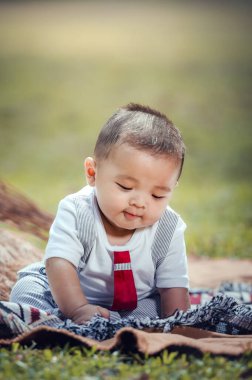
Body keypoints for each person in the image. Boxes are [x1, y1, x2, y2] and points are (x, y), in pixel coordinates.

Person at [10, 103, 190, 324]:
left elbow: (173, 286)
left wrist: (178, 325)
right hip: (65, 293)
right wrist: (78, 308)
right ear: (92, 173)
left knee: (158, 311)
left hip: (135, 301)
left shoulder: (169, 227)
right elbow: (59, 264)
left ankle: (111, 322)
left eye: (158, 196)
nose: (140, 202)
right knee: (27, 290)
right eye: (125, 186)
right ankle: (63, 319)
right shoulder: (77, 211)